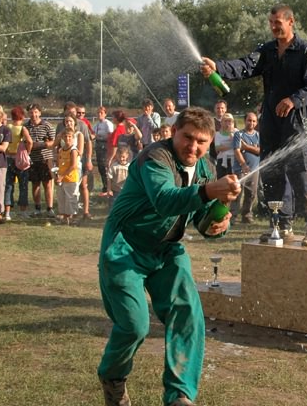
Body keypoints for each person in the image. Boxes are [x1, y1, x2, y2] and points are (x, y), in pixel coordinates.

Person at [97, 107, 241, 406]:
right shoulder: (155, 157)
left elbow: (202, 218)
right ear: (174, 132)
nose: (193, 147)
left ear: (210, 142)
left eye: (201, 141)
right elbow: (164, 200)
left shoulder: (206, 168)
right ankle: (113, 378)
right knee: (134, 325)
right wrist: (208, 192)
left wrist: (217, 224)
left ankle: (179, 396)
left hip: (167, 249)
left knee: (188, 314)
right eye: (187, 137)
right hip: (126, 246)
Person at [200, 4, 307, 246]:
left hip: (296, 123)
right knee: (272, 173)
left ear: (291, 22)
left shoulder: (305, 51)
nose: (273, 27)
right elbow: (245, 65)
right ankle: (281, 224)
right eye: (271, 23)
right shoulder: (267, 50)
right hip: (270, 121)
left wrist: (294, 100)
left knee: (302, 174)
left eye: (277, 22)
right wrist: (218, 67)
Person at [58, 101, 94, 221]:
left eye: (74, 112)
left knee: (83, 185)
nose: (72, 114)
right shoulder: (60, 126)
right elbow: (57, 143)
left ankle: (85, 211)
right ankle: (67, 213)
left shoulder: (82, 125)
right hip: (64, 161)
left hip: (79, 161)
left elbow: (88, 143)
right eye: (68, 112)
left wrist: (89, 159)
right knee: (65, 187)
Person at [25, 103, 56, 217]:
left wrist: (41, 144)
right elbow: (24, 142)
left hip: (45, 159)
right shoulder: (26, 126)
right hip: (32, 160)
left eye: (36, 112)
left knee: (47, 184)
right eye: (31, 112)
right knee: (35, 184)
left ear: (40, 113)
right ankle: (37, 208)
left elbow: (54, 141)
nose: (33, 114)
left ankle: (49, 208)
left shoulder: (47, 125)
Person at [4, 106, 33, 220]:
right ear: (22, 116)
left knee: (9, 185)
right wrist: (27, 152)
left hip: (8, 158)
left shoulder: (7, 127)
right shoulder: (22, 128)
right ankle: (23, 211)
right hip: (20, 159)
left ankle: (7, 212)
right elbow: (29, 141)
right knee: (23, 185)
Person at [232, 111, 261, 223]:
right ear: (245, 121)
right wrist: (243, 164)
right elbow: (237, 151)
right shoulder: (238, 134)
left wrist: (247, 147)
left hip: (254, 170)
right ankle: (233, 216)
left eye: (254, 121)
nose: (251, 123)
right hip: (240, 169)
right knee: (237, 193)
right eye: (249, 120)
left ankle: (247, 215)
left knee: (251, 194)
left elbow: (260, 150)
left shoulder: (258, 135)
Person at [54, 127, 80, 225]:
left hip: (71, 178)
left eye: (70, 136)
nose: (67, 138)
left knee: (71, 199)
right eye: (65, 136)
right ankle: (65, 218)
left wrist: (62, 176)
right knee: (62, 198)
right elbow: (59, 164)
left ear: (73, 138)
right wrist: (57, 176)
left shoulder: (73, 150)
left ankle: (73, 218)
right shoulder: (61, 150)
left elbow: (73, 166)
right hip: (62, 178)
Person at [93, 106, 114, 195]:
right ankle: (104, 186)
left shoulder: (108, 124)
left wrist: (99, 136)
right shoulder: (96, 125)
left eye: (101, 113)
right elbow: (93, 134)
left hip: (105, 146)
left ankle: (109, 187)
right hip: (98, 145)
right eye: (98, 113)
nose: (99, 114)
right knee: (100, 167)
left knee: (105, 166)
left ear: (105, 114)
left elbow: (110, 136)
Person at [213, 113, 236, 179]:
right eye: (225, 121)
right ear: (221, 123)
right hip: (222, 160)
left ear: (233, 123)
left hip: (234, 160)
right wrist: (232, 145)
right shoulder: (217, 134)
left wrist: (230, 133)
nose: (227, 123)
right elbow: (217, 148)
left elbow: (239, 145)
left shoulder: (236, 132)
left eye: (229, 121)